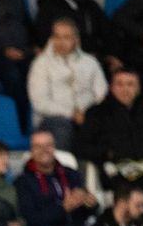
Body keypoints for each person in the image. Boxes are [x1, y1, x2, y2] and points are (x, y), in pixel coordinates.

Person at [75, 66, 143, 200]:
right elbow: (81, 147)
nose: (125, 89)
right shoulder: (97, 113)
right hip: (114, 169)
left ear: (138, 88)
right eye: (120, 84)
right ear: (111, 87)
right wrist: (108, 153)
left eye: (130, 84)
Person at [14, 129, 96, 226]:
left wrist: (90, 204)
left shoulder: (71, 174)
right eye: (38, 146)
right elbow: (32, 218)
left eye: (48, 145)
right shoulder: (23, 181)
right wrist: (64, 208)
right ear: (31, 151)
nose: (44, 150)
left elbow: (87, 210)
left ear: (54, 147)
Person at [26, 17, 106, 150]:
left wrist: (87, 114)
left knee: (105, 122)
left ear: (76, 39)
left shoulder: (90, 62)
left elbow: (102, 94)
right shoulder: (41, 64)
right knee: (63, 126)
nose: (60, 42)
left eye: (66, 37)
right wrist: (72, 114)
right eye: (56, 36)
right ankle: (60, 163)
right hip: (53, 119)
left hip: (88, 115)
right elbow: (40, 103)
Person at [34, 0, 108, 54]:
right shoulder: (47, 8)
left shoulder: (91, 6)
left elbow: (106, 34)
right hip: (59, 58)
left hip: (92, 57)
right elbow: (43, 39)